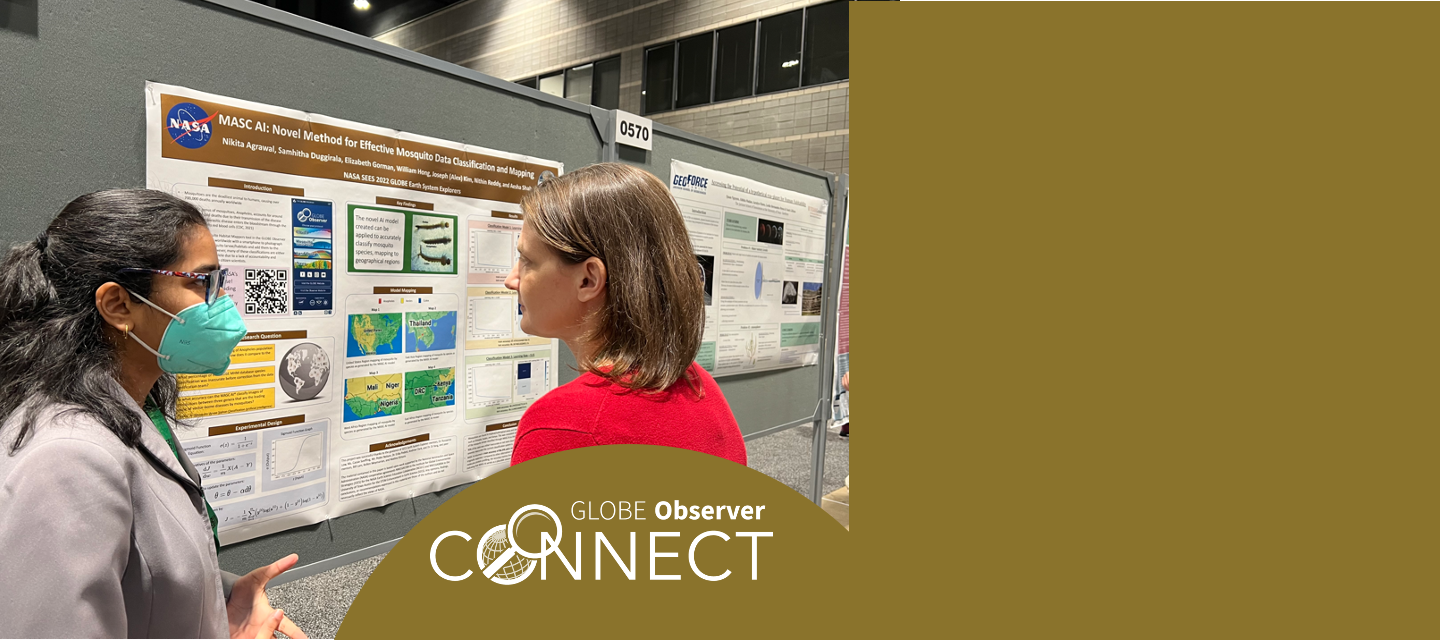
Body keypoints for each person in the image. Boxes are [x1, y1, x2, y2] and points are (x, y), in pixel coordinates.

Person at [0, 190, 306, 638]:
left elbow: (136, 571)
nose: (223, 303)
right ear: (118, 305)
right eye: (202, 283)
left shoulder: (129, 408)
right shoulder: (67, 460)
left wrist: (217, 602)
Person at [506, 163, 746, 466]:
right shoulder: (697, 385)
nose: (511, 279)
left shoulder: (564, 426)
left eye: (527, 260)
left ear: (588, 280)